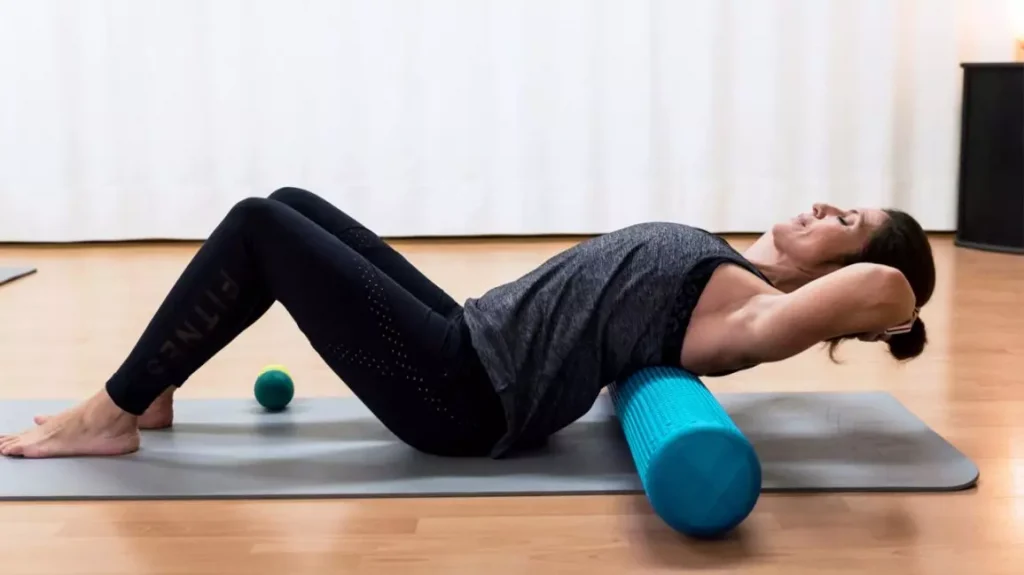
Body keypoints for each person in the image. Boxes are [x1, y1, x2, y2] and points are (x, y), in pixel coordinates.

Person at [0, 187, 933, 459]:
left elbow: (891, 288)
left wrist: (896, 290)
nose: (821, 207)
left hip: (463, 394)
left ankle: (114, 412)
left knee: (257, 227)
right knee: (287, 204)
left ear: (846, 267)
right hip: (465, 334)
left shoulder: (762, 314)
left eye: (842, 221)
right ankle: (156, 388)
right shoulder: (741, 276)